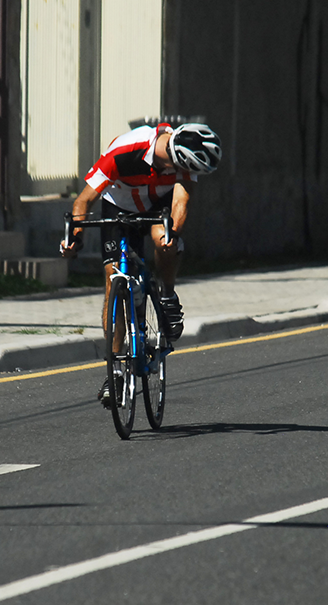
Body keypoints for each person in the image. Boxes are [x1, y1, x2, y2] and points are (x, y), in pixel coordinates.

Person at [60, 121, 222, 405]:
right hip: (118, 205)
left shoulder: (186, 161)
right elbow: (83, 201)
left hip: (158, 205)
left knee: (164, 239)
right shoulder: (124, 152)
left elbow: (180, 204)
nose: (189, 174)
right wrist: (74, 238)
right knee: (112, 280)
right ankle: (114, 372)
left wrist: (172, 234)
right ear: (175, 156)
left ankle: (167, 296)